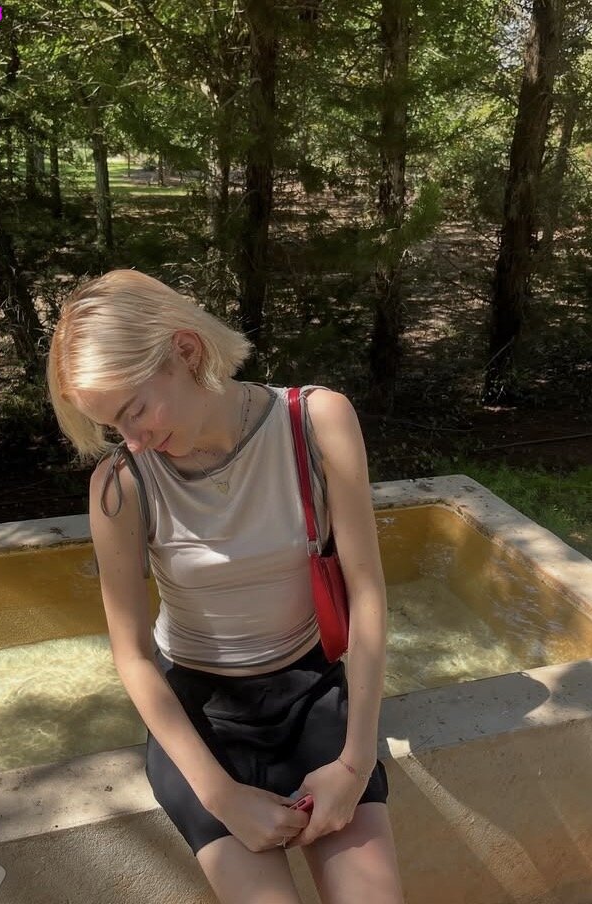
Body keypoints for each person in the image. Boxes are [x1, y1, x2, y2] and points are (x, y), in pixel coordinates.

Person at [47, 269, 404, 904]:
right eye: (113, 427)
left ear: (186, 351)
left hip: (314, 694)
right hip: (201, 721)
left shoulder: (316, 421)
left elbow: (368, 593)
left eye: (135, 411)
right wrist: (221, 797)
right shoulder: (120, 485)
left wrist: (355, 763)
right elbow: (132, 656)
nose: (133, 441)